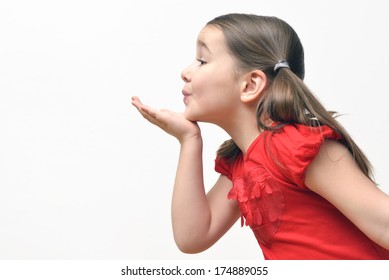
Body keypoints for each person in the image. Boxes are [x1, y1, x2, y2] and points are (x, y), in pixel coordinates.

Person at [131, 13, 389, 260]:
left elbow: (384, 224)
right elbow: (193, 236)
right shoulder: (241, 163)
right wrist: (189, 141)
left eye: (202, 61)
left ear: (250, 85)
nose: (186, 72)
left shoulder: (296, 147)